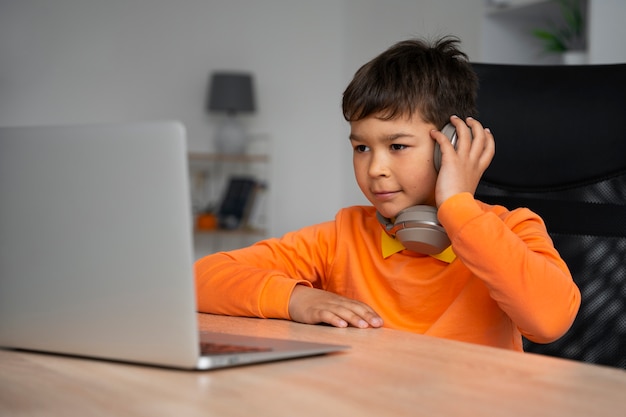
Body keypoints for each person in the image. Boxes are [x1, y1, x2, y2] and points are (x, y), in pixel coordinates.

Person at [194, 36, 581, 351]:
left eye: (397, 147)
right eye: (361, 147)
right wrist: (298, 300)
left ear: (450, 144)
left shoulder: (512, 229)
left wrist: (459, 209)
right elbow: (201, 279)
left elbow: (549, 322)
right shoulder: (344, 236)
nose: (375, 168)